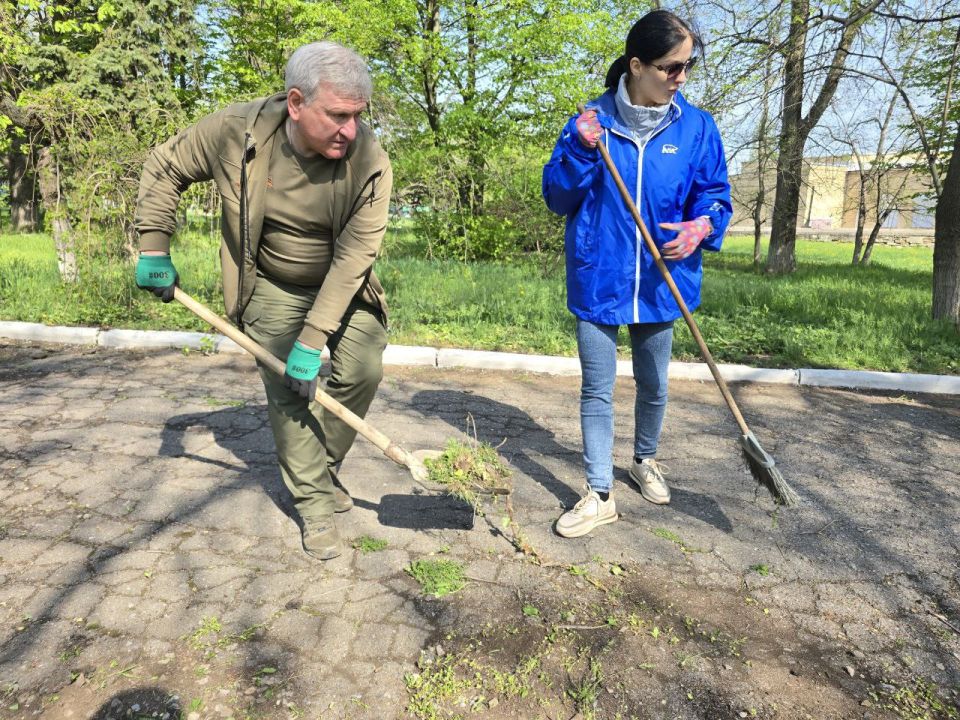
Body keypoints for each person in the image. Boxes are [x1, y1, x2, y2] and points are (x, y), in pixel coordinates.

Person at [134, 41, 392, 560]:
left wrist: (313, 338)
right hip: (269, 284)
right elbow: (166, 166)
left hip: (342, 284)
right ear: (296, 103)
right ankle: (315, 503)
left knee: (363, 369)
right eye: (337, 116)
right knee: (292, 388)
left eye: (358, 116)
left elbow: (355, 257)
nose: (350, 130)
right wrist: (153, 246)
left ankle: (322, 467)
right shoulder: (236, 132)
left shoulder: (370, 161)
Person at [542, 10, 732, 538]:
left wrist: (702, 226)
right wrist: (579, 150)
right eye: (671, 67)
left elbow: (715, 196)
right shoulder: (591, 122)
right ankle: (599, 492)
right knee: (597, 389)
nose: (681, 78)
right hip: (599, 276)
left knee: (654, 383)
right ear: (637, 65)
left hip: (661, 278)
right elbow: (557, 197)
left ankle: (644, 459)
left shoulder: (696, 127)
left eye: (688, 66)